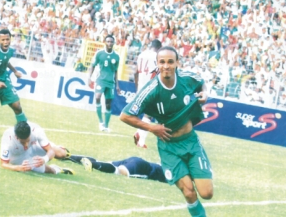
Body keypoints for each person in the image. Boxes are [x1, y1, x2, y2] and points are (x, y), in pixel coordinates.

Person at [120, 46, 213, 217]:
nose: (166, 66)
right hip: (169, 147)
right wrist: (152, 127)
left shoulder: (187, 79)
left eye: (170, 61)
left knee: (207, 193)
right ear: (157, 64)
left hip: (191, 142)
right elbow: (125, 115)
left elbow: (202, 84)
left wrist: (205, 94)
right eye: (162, 62)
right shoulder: (151, 90)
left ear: (177, 63)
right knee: (189, 192)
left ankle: (191, 171)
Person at [0, 121, 74, 175]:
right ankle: (56, 169)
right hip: (18, 156)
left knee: (61, 154)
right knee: (46, 170)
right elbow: (3, 164)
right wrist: (19, 168)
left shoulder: (36, 131)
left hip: (34, 145)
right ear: (16, 137)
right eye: (23, 142)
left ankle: (59, 148)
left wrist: (44, 159)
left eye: (28, 141)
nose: (26, 145)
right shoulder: (8, 139)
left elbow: (51, 151)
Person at [133, 39, 162, 148]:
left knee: (149, 114)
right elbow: (157, 73)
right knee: (149, 115)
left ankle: (139, 134)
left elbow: (135, 72)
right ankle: (140, 139)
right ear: (159, 48)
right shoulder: (156, 56)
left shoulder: (141, 54)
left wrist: (137, 88)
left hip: (141, 88)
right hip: (151, 89)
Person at [88, 35, 120, 132]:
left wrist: (117, 85)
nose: (110, 43)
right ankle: (101, 122)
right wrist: (89, 77)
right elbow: (92, 65)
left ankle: (106, 125)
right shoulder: (99, 54)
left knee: (108, 104)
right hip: (100, 80)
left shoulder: (116, 56)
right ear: (105, 42)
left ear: (113, 43)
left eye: (111, 42)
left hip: (110, 82)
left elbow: (116, 71)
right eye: (108, 41)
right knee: (97, 97)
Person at [68, 155, 167, 183]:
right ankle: (91, 164)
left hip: (137, 160)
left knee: (106, 162)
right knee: (118, 171)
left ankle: (68, 156)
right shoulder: (177, 175)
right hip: (144, 168)